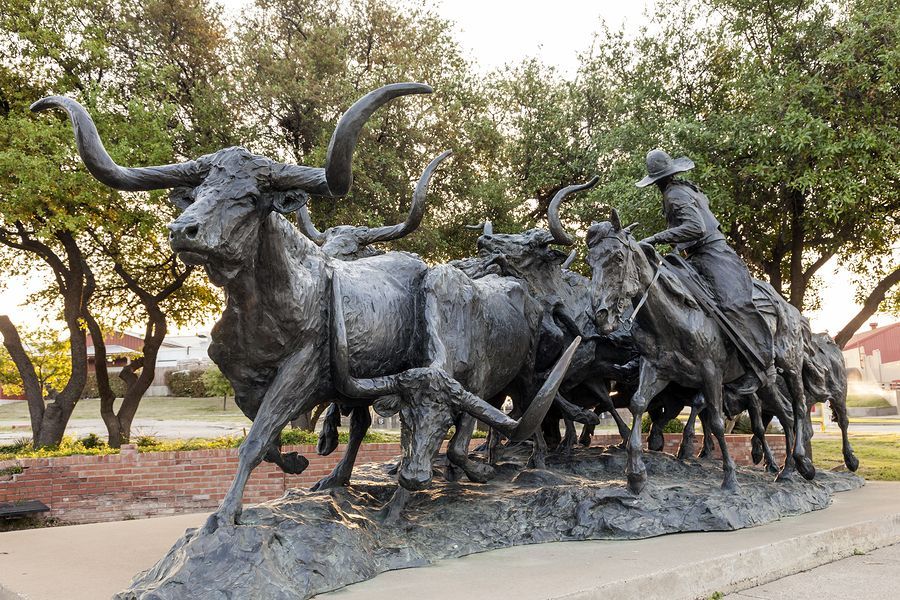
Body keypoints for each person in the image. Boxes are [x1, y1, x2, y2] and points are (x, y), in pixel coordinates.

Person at [636, 148, 775, 393]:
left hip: (712, 254)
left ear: (656, 180)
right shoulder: (682, 189)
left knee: (733, 304)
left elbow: (696, 227)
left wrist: (656, 238)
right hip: (695, 257)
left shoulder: (675, 194)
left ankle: (762, 365)